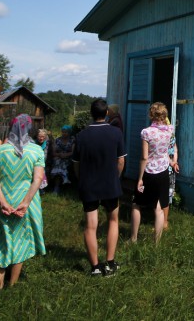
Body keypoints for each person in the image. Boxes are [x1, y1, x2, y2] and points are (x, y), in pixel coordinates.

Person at [0, 114, 46, 289]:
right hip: (26, 203)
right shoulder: (36, 150)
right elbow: (38, 179)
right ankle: (12, 285)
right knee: (20, 241)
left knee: (2, 240)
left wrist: (3, 202)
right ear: (29, 129)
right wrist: (26, 202)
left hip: (2, 201)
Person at [73, 99, 126, 276]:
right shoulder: (116, 133)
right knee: (113, 220)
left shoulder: (81, 136)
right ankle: (110, 263)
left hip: (89, 184)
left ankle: (95, 267)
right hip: (110, 183)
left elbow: (76, 164)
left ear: (91, 113)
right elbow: (121, 161)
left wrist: (82, 179)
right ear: (106, 114)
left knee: (90, 226)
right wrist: (115, 178)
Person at [130, 102, 172, 243]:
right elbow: (166, 150)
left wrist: (140, 178)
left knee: (137, 204)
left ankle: (134, 238)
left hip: (148, 172)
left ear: (151, 115)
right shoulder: (169, 130)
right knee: (159, 208)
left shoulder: (147, 132)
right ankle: (156, 243)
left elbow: (144, 157)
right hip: (163, 171)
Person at [50, 125, 75, 195]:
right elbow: (53, 152)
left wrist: (66, 155)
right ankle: (58, 185)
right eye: (63, 132)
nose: (64, 133)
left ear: (69, 132)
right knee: (58, 163)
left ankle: (57, 186)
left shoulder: (72, 140)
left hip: (68, 158)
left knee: (61, 164)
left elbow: (73, 152)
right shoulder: (57, 140)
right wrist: (59, 155)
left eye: (66, 132)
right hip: (58, 157)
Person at [164, 126, 179, 229]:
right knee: (168, 195)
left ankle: (163, 221)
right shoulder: (172, 135)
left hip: (163, 169)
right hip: (170, 168)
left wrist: (172, 163)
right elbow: (175, 149)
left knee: (162, 196)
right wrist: (174, 162)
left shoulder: (161, 135)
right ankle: (164, 221)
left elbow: (163, 152)